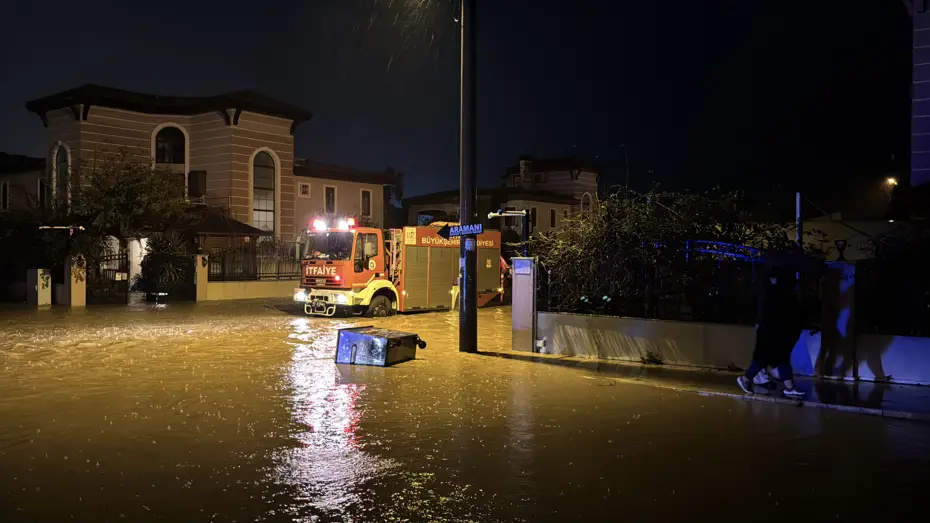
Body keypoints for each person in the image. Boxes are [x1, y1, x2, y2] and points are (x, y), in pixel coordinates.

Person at [737, 265, 806, 397]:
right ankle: (747, 378)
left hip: (771, 332)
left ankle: (789, 386)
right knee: (771, 358)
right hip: (772, 332)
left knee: (778, 358)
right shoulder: (775, 293)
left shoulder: (772, 292)